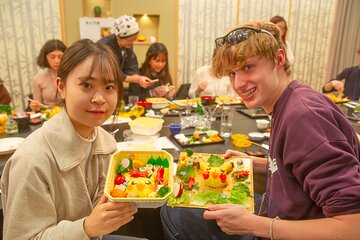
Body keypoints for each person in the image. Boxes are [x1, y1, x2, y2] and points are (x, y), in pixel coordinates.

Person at [161, 21, 360, 240]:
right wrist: (257, 163)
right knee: (177, 204)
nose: (239, 84)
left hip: (277, 229)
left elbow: (352, 226)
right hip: (275, 213)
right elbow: (300, 168)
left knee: (174, 212)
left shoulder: (303, 117)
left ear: (279, 59)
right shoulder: (289, 101)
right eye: (232, 74)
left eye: (248, 67)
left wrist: (253, 225)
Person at [1, 39, 140, 239]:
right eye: (87, 85)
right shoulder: (31, 161)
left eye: (109, 87)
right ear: (62, 87)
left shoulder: (105, 143)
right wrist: (86, 228)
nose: (99, 98)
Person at [97, 15, 153, 91]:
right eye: (129, 40)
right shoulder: (104, 46)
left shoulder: (127, 46)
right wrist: (136, 79)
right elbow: (111, 72)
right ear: (118, 37)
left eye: (134, 39)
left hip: (114, 86)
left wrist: (140, 79)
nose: (132, 43)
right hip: (99, 85)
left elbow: (131, 66)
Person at [30, 39, 67, 111]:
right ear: (45, 57)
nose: (57, 61)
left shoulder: (71, 75)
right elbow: (37, 107)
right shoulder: (38, 79)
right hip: (47, 117)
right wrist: (35, 106)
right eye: (52, 57)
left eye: (60, 57)